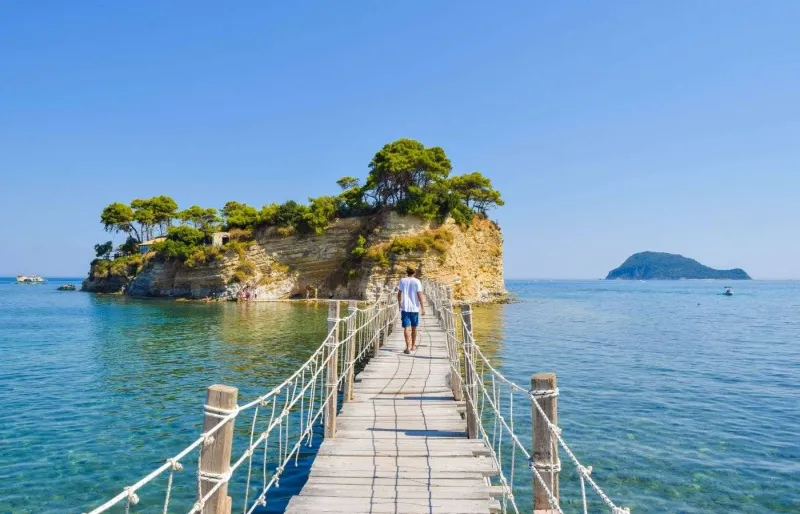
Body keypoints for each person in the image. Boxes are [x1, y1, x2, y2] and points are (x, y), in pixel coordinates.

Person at [397, 267, 425, 354]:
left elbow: (399, 293)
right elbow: (419, 294)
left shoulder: (402, 280)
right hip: (414, 308)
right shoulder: (417, 281)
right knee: (414, 327)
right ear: (414, 272)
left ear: (407, 272)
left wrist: (399, 304)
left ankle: (407, 347)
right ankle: (413, 346)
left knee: (406, 327)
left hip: (405, 308)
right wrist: (423, 307)